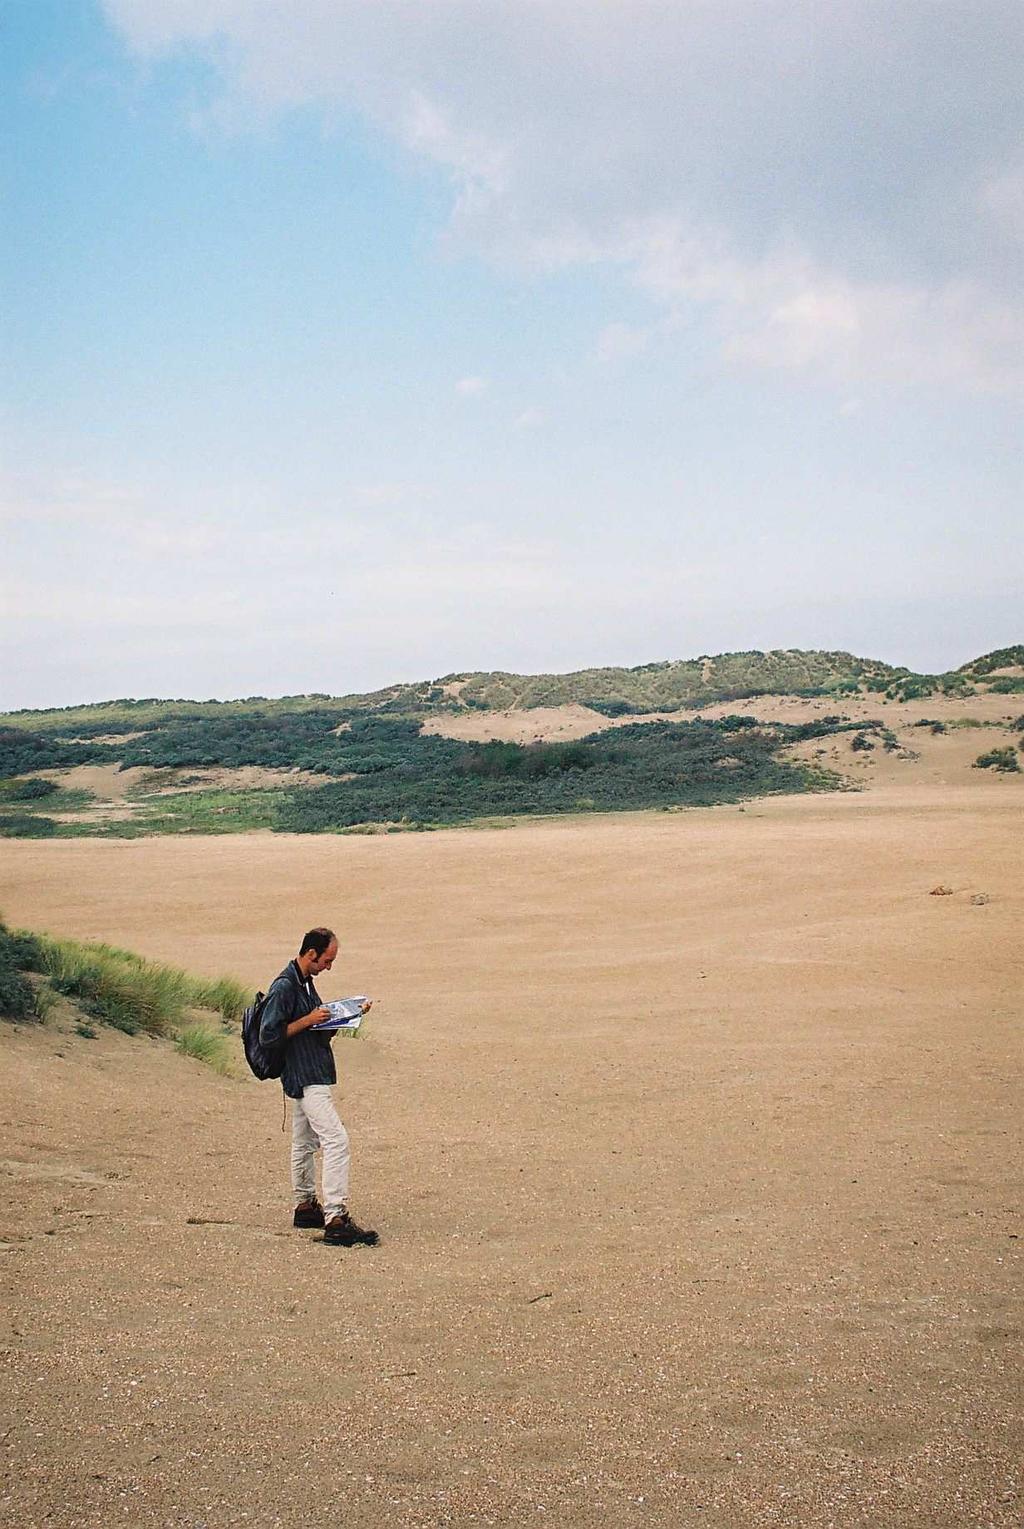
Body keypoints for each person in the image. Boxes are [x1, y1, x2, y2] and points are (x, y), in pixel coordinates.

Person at [258, 926, 378, 1247]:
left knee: (304, 1141)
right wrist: (309, 1020)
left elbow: (318, 1031)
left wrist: (347, 1016)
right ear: (311, 953)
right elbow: (268, 1035)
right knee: (336, 1140)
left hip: (309, 1072)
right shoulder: (284, 987)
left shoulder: (306, 985)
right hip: (305, 1077)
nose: (329, 966)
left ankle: (305, 1206)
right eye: (327, 960)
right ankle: (336, 1218)